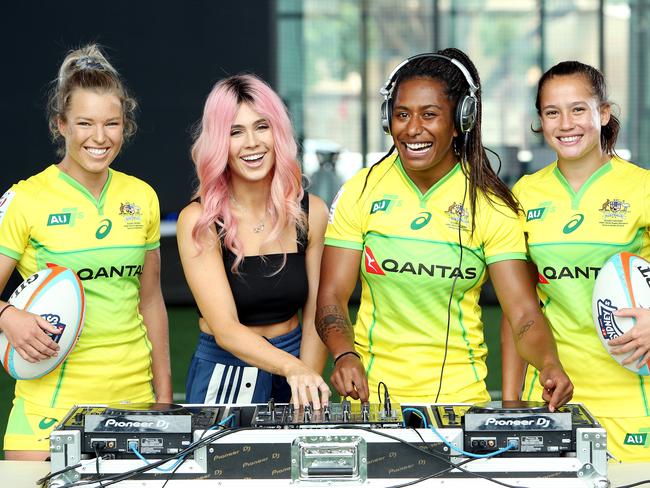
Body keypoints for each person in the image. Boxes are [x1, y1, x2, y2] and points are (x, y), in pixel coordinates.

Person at [315, 48, 573, 409]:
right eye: (402, 114)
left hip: (460, 403)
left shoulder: (491, 205)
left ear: (459, 122)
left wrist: (548, 363)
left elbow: (523, 313)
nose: (412, 128)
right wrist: (344, 354)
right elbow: (331, 297)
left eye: (429, 115)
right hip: (373, 404)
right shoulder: (360, 190)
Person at [0, 45, 171, 460]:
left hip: (132, 398)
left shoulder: (141, 196)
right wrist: (9, 317)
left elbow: (150, 300)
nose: (100, 137)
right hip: (49, 404)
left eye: (112, 123)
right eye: (84, 123)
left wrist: (163, 396)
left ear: (125, 125)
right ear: (61, 124)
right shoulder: (26, 199)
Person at [501, 61, 650, 462]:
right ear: (541, 122)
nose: (566, 123)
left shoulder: (642, 188)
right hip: (549, 401)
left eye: (578, 109)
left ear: (603, 112)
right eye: (553, 112)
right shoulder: (526, 194)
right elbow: (519, 310)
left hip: (634, 404)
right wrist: (513, 403)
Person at [177, 75, 330, 409]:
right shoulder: (200, 220)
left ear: (278, 133)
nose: (251, 143)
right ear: (219, 142)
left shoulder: (311, 212)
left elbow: (316, 315)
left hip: (297, 363)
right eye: (235, 132)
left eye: (262, 127)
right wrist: (293, 369)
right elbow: (226, 329)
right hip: (226, 367)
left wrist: (303, 385)